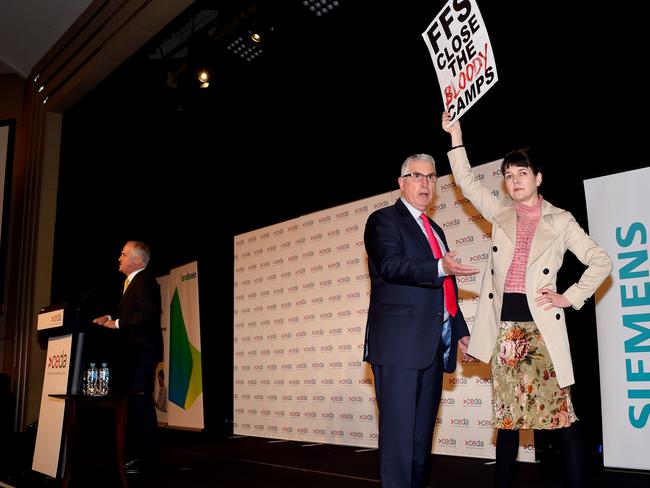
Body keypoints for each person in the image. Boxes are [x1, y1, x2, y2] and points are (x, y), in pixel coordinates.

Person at [442, 112, 612, 488]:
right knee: (507, 423)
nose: (514, 181)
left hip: (541, 332)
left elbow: (601, 261)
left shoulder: (561, 220)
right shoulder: (499, 212)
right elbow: (467, 183)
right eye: (508, 175)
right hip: (505, 332)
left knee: (562, 419)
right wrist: (456, 138)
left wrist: (569, 297)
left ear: (537, 178)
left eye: (522, 174)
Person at [363, 153, 480, 488]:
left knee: (418, 447)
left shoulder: (437, 229)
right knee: (398, 445)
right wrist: (441, 266)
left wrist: (460, 332)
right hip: (398, 348)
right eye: (417, 176)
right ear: (401, 182)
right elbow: (391, 266)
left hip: (432, 348)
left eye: (431, 177)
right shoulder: (383, 221)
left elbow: (446, 287)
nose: (425, 183)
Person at [93, 240, 163, 472]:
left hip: (142, 352)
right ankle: (140, 455)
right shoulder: (130, 283)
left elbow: (147, 315)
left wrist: (117, 324)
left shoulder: (145, 281)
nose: (119, 258)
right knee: (134, 404)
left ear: (138, 260)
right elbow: (131, 312)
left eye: (124, 254)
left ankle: (149, 460)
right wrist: (107, 317)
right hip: (132, 353)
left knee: (141, 403)